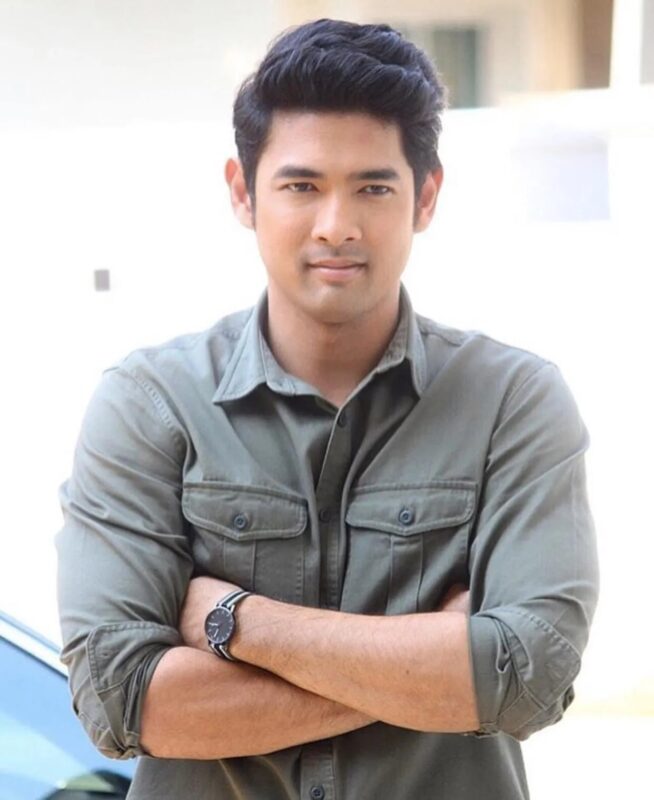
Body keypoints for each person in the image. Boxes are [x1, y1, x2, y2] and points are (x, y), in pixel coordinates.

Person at [56, 18, 599, 800]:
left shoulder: (511, 403)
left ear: (426, 197)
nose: (337, 225)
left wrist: (239, 622)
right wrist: (437, 663)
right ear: (243, 193)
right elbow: (120, 699)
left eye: (374, 187)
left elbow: (530, 679)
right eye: (301, 186)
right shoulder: (151, 405)